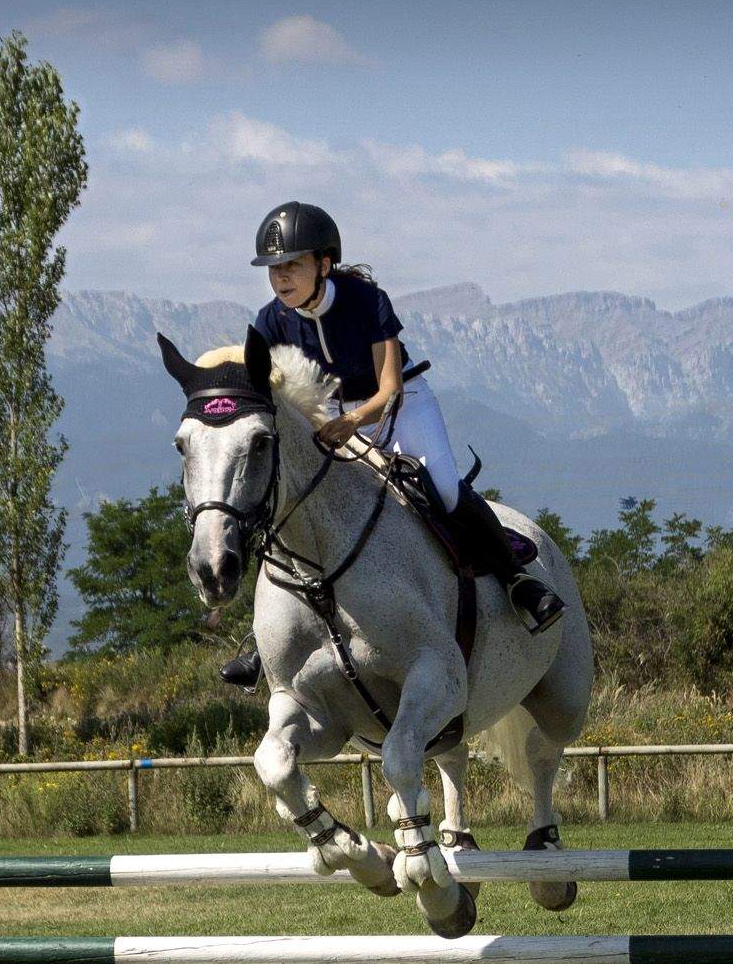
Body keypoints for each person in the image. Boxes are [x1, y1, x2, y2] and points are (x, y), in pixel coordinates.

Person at [220, 201, 563, 688]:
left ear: (324, 263)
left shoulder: (366, 301)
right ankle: (265, 639)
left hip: (401, 405)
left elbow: (389, 391)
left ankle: (517, 581)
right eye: (274, 269)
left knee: (442, 489)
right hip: (331, 414)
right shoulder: (270, 321)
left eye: (292, 264)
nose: (281, 277)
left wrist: (350, 423)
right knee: (291, 507)